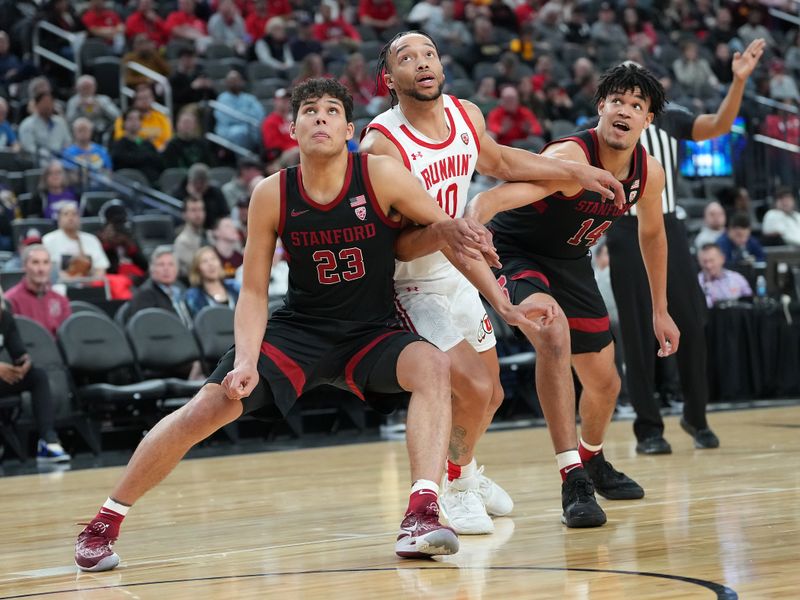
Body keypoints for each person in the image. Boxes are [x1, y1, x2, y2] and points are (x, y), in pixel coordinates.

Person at [74, 78, 553, 571]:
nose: (320, 117)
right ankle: (103, 523)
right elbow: (255, 290)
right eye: (309, 110)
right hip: (301, 330)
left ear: (350, 128)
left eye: (330, 111)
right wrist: (243, 361)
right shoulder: (272, 193)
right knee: (208, 406)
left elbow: (450, 236)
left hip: (372, 330)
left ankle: (422, 514)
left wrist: (503, 301)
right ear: (292, 127)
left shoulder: (382, 175)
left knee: (431, 365)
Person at [361, 31, 625, 534]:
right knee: (477, 388)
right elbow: (401, 243)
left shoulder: (466, 115)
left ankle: (463, 472)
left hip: (456, 266)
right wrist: (501, 301)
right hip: (408, 281)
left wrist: (578, 173)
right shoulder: (381, 145)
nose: (421, 63)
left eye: (429, 54)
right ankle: (451, 491)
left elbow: (500, 161)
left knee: (493, 396)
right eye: (406, 58)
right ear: (389, 79)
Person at [467, 63, 677, 528]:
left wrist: (660, 309)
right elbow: (494, 199)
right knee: (553, 334)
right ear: (601, 107)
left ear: (648, 121)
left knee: (606, 382)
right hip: (514, 253)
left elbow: (653, 235)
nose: (625, 110)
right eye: (617, 101)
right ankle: (572, 478)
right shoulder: (570, 158)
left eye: (637, 106)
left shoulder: (649, 173)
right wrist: (474, 221)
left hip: (570, 263)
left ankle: (593, 458)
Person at [605, 39, 765, 455]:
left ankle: (696, 415)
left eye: (638, 95)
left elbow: (718, 127)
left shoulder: (671, 118)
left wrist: (738, 81)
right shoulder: (606, 125)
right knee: (639, 332)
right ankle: (649, 428)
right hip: (623, 229)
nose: (629, 103)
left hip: (669, 227)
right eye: (621, 94)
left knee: (692, 323)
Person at [0, 290, 70, 463]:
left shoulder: (5, 318)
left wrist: (24, 363)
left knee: (37, 376)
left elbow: (18, 351)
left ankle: (48, 440)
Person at [4, 244, 71, 338]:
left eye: (46, 262)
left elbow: (68, 337)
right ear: (24, 266)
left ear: (51, 266)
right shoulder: (10, 300)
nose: (41, 269)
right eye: (35, 262)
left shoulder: (61, 300)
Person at [42, 204, 110, 283]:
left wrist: (93, 282)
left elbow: (101, 268)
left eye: (74, 214)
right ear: (59, 220)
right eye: (66, 214)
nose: (70, 218)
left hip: (90, 285)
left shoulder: (92, 240)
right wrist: (70, 281)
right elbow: (47, 269)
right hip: (59, 285)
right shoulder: (48, 240)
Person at [126, 246, 191, 327]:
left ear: (177, 269)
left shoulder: (181, 290)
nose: (166, 269)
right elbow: (142, 327)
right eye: (161, 265)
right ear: (152, 269)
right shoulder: (144, 295)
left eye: (171, 264)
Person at [110, 108, 164, 182]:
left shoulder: (147, 144)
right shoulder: (118, 145)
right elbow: (124, 161)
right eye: (130, 119)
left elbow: (159, 162)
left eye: (137, 119)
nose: (134, 122)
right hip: (129, 185)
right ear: (124, 123)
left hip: (152, 183)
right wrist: (146, 157)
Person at [184, 246, 239, 317]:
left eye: (213, 259)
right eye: (204, 261)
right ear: (197, 269)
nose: (210, 264)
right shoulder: (193, 296)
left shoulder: (235, 287)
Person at [697, 243, 752, 307]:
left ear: (722, 259)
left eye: (711, 260)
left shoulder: (737, 278)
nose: (708, 266)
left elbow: (750, 302)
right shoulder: (696, 283)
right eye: (704, 262)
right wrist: (707, 283)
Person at [174, 197, 209, 279]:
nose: (198, 214)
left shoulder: (208, 234)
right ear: (184, 214)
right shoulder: (182, 241)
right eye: (193, 210)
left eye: (201, 209)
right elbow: (196, 268)